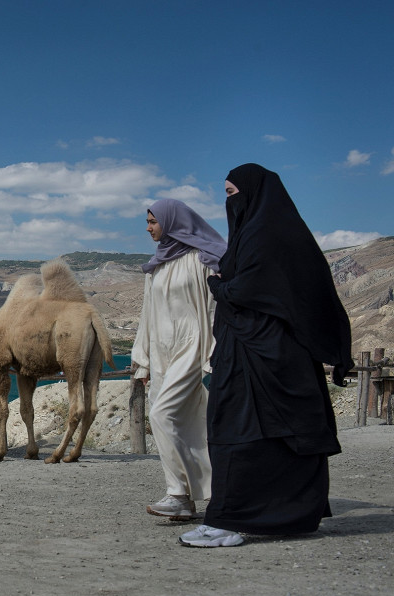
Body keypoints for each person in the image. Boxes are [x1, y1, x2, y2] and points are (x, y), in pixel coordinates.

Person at [179, 163, 354, 548]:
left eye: (230, 194)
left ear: (253, 193)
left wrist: (217, 284)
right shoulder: (265, 234)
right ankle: (281, 517)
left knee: (240, 433)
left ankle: (228, 521)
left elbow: (247, 290)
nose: (228, 203)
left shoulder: (267, 236)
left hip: (264, 357)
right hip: (261, 354)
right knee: (259, 434)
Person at [132, 199, 227, 521]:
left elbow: (217, 309)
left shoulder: (205, 260)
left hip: (192, 348)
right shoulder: (155, 265)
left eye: (153, 221)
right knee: (184, 424)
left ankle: (177, 493)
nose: (148, 228)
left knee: (161, 414)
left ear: (173, 221)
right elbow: (147, 314)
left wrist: (215, 353)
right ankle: (193, 499)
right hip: (161, 353)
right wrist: (142, 360)